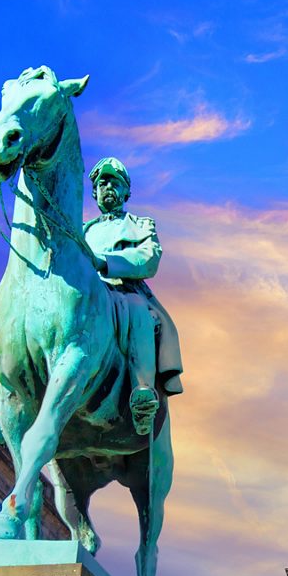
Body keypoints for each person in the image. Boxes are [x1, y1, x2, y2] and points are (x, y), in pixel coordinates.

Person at [83, 157, 183, 435]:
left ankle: (142, 391)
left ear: (126, 191)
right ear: (94, 192)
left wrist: (104, 261)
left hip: (122, 291)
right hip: (86, 297)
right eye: (101, 183)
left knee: (139, 310)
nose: (107, 187)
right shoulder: (83, 231)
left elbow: (148, 258)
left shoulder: (140, 224)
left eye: (114, 182)